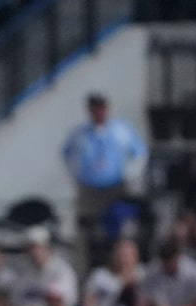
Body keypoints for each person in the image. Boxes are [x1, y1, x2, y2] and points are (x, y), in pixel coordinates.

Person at [61, 92, 147, 265]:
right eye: (95, 109)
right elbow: (66, 155)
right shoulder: (80, 134)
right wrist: (76, 174)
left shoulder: (120, 129)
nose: (99, 113)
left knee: (118, 228)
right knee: (86, 229)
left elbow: (140, 153)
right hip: (89, 190)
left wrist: (130, 174)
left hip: (115, 188)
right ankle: (88, 266)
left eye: (102, 109)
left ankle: (122, 265)